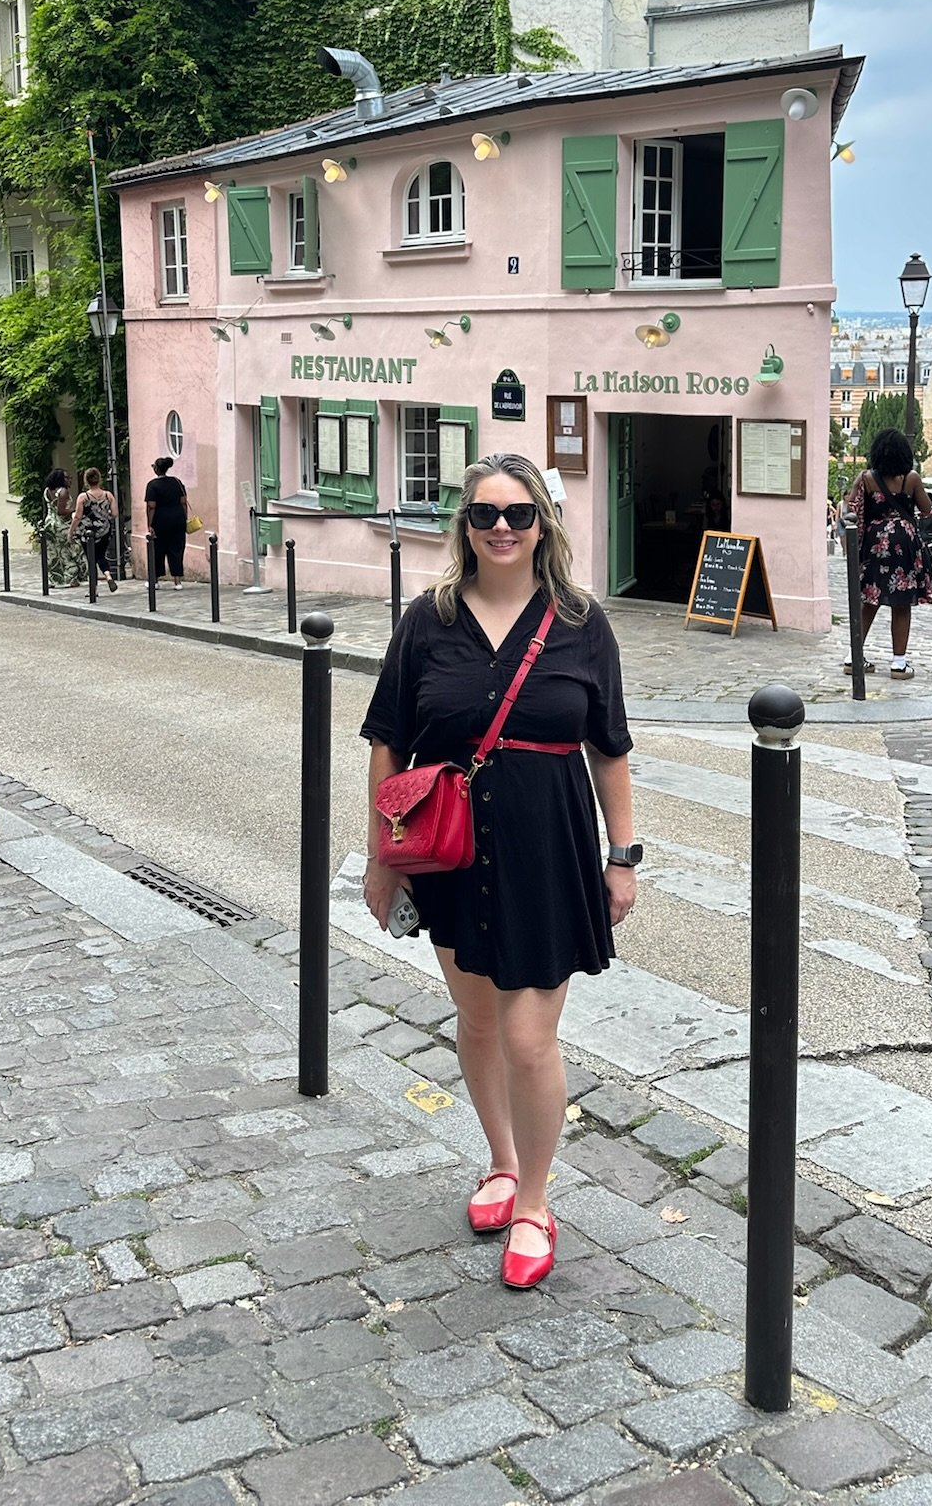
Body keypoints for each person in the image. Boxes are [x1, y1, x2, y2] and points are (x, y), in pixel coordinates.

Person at [360, 452, 636, 1292]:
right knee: (477, 1021)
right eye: (485, 515)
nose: (503, 529)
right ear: (464, 527)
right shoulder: (428, 620)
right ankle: (502, 1162)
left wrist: (622, 858)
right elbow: (387, 741)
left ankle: (537, 1202)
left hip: (548, 851)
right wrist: (381, 859)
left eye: (519, 514)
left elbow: (610, 750)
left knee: (527, 1035)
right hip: (447, 852)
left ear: (544, 524)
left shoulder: (581, 622)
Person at [842, 428, 932, 679]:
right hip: (903, 543)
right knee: (902, 604)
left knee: (869, 600)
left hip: (874, 543)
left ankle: (853, 657)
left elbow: (852, 506)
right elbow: (926, 509)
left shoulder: (866, 478)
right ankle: (899, 663)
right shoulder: (911, 478)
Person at [144, 456, 190, 589]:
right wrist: (184, 518)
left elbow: (151, 506)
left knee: (158, 550)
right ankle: (177, 581)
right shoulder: (177, 482)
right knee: (176, 549)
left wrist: (150, 524)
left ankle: (155, 580)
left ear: (156, 469)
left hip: (160, 521)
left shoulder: (152, 485)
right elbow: (183, 502)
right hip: (177, 519)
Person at [71, 467, 119, 591]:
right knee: (101, 556)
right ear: (99, 480)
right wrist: (104, 515)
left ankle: (93, 590)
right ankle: (108, 576)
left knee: (91, 559)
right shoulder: (108, 495)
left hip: (87, 533)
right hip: (104, 531)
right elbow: (115, 513)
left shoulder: (83, 497)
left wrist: (71, 532)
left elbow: (77, 516)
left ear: (86, 481)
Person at [41, 467, 81, 587]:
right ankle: (71, 578)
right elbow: (61, 511)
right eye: (67, 478)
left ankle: (53, 580)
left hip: (49, 524)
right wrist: (76, 510)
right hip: (61, 525)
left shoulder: (47, 490)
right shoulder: (63, 491)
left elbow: (47, 509)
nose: (69, 480)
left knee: (53, 553)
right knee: (70, 551)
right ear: (60, 479)